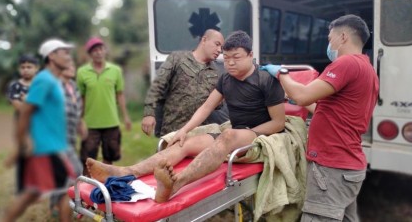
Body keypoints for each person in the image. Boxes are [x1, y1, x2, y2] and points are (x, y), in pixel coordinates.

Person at [86, 30, 286, 203]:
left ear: (251, 54)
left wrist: (245, 133)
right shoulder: (226, 79)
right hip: (234, 135)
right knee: (185, 143)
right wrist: (183, 131)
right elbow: (206, 107)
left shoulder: (266, 80)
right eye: (226, 58)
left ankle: (175, 184)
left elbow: (278, 123)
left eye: (236, 57)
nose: (230, 63)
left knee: (228, 135)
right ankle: (126, 172)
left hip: (259, 137)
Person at [268, 14, 379, 221]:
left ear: (343, 37)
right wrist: (293, 99)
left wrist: (282, 73)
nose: (329, 44)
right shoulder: (367, 68)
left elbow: (302, 94)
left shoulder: (346, 63)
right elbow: (326, 107)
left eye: (330, 39)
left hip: (332, 168)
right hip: (348, 164)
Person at [2, 39, 75, 222]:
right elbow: (26, 111)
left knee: (38, 192)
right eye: (64, 52)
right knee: (45, 191)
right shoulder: (44, 80)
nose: (68, 55)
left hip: (54, 147)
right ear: (51, 56)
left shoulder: (52, 80)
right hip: (46, 149)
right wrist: (22, 143)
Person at [142, 29, 229, 137]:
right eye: (217, 44)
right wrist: (149, 113)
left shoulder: (216, 73)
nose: (219, 50)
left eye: (221, 48)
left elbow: (215, 106)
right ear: (204, 40)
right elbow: (157, 86)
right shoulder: (177, 59)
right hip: (172, 129)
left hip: (199, 133)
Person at [77, 37, 132, 175]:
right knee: (87, 158)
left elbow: (120, 95)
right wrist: (80, 119)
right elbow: (81, 98)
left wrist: (125, 117)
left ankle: (105, 188)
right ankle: (85, 188)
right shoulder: (82, 72)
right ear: (90, 54)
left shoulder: (115, 70)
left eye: (100, 49)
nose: (98, 52)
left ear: (105, 51)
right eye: (94, 50)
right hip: (91, 123)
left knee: (109, 157)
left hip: (111, 122)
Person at [50, 59, 88, 216]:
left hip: (70, 138)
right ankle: (69, 205)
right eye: (68, 65)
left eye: (73, 65)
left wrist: (80, 124)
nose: (72, 68)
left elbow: (77, 110)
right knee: (76, 170)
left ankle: (57, 206)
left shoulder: (73, 88)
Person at [5, 54, 40, 191]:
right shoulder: (15, 86)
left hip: (39, 125)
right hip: (22, 126)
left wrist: (27, 99)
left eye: (29, 67)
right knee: (23, 153)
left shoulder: (40, 85)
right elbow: (17, 106)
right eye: (23, 67)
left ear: (36, 68)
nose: (25, 69)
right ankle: (22, 187)